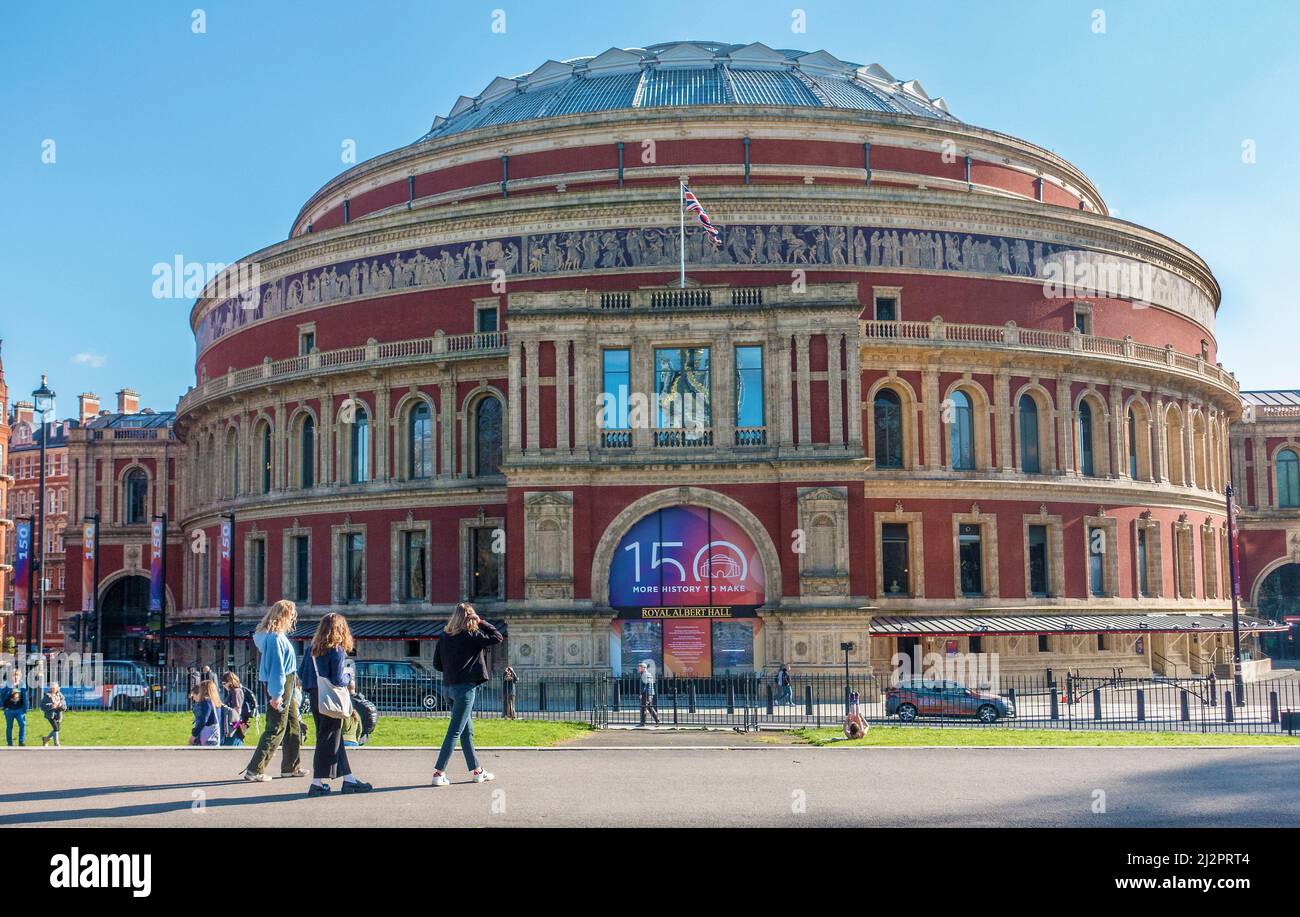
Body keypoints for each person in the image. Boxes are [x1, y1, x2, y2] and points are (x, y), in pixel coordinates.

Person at [298, 613, 371, 796]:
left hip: (316, 697)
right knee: (327, 740)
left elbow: (301, 673)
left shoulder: (311, 649)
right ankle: (316, 783)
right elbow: (338, 679)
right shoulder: (336, 650)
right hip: (330, 699)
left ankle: (349, 779)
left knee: (333, 739)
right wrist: (349, 676)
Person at [431, 602, 503, 786]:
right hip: (465, 689)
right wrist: (481, 622)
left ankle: (477, 771)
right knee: (455, 731)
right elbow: (497, 637)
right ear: (470, 617)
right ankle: (439, 773)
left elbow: (436, 665)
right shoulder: (473, 635)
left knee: (466, 731)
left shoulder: (444, 636)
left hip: (448, 688)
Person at [242, 600, 306, 781]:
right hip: (281, 685)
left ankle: (291, 767)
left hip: (287, 684)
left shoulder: (275, 636)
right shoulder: (275, 638)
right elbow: (277, 668)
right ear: (284, 615)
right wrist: (276, 695)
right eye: (292, 614)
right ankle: (255, 769)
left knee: (293, 726)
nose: (294, 618)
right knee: (276, 727)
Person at [221, 672, 255, 747]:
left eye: (224, 683)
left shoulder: (237, 692)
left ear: (230, 682)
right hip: (235, 725)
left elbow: (237, 711)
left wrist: (234, 727)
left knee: (232, 748)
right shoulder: (233, 692)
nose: (223, 686)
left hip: (235, 726)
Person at [190, 680, 223, 746]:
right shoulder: (216, 702)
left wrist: (194, 735)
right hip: (215, 735)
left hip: (206, 736)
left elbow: (204, 720)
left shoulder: (206, 701)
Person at [4, 670, 28, 746]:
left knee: (23, 725)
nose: (16, 676)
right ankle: (9, 743)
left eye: (17, 675)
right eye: (14, 675)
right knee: (9, 726)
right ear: (11, 676)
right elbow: (3, 697)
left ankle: (21, 742)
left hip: (19, 709)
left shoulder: (22, 684)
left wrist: (25, 709)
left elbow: (25, 697)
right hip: (9, 709)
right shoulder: (7, 684)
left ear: (20, 676)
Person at [40, 683, 67, 747]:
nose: (53, 689)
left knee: (57, 728)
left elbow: (65, 706)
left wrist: (61, 706)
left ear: (57, 688)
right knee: (55, 728)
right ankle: (56, 743)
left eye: (54, 688)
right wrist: (52, 706)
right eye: (52, 688)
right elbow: (42, 706)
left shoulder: (60, 696)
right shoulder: (47, 696)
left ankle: (46, 739)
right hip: (50, 715)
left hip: (58, 714)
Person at [638, 662, 660, 727]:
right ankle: (657, 720)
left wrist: (641, 693)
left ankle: (643, 723)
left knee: (643, 708)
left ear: (644, 668)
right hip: (649, 693)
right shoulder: (649, 674)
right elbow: (650, 685)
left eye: (640, 668)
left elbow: (644, 685)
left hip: (646, 693)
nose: (639, 669)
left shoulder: (644, 674)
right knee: (649, 707)